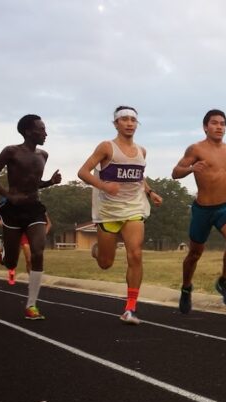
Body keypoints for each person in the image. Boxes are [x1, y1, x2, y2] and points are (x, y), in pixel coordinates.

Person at [78, 106, 163, 325]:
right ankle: (98, 251)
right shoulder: (107, 147)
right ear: (116, 123)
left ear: (137, 124)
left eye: (133, 120)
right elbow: (83, 172)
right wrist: (104, 186)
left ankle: (130, 308)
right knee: (106, 263)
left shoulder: (142, 151)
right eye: (124, 119)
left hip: (134, 208)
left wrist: (151, 192)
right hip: (108, 212)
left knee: (135, 254)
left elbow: (138, 178)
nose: (129, 123)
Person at [0, 114, 62, 319]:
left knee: (37, 251)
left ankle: (31, 305)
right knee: (11, 262)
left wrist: (50, 182)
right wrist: (8, 195)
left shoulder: (43, 155)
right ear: (29, 131)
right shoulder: (11, 151)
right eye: (42, 129)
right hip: (12, 209)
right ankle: (5, 254)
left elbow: (34, 182)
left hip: (34, 208)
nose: (46, 133)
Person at [171, 109, 226, 313]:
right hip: (202, 209)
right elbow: (175, 173)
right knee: (195, 253)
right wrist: (191, 169)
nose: (219, 126)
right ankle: (186, 288)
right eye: (214, 123)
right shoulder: (195, 149)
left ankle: (224, 281)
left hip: (224, 207)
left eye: (222, 123)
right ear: (205, 127)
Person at [0, 198, 51, 286]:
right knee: (14, 257)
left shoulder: (38, 207)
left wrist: (41, 235)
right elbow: (2, 219)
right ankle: (11, 271)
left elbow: (48, 224)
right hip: (17, 231)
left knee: (29, 260)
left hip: (29, 233)